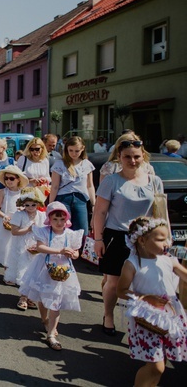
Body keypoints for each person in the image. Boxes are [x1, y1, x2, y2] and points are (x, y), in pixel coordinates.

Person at [92, 136, 164, 336]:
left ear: (143, 157)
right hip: (117, 236)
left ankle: (140, 321)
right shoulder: (112, 181)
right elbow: (100, 212)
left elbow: (160, 212)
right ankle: (108, 315)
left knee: (144, 283)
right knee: (114, 282)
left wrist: (164, 238)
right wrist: (98, 239)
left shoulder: (155, 181)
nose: (132, 161)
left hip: (145, 239)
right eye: (127, 157)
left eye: (136, 157)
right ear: (120, 157)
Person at [117, 217, 187, 386]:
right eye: (160, 239)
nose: (167, 243)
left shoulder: (169, 259)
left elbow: (184, 274)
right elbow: (121, 290)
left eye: (167, 239)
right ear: (142, 240)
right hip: (147, 318)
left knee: (159, 362)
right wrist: (145, 298)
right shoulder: (132, 263)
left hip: (170, 317)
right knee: (157, 366)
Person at [19, 201, 84, 352]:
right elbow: (40, 247)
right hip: (44, 267)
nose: (59, 222)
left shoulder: (70, 234)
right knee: (43, 297)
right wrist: (59, 251)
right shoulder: (44, 231)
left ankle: (51, 335)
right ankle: (44, 319)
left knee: (56, 301)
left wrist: (74, 254)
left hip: (63, 270)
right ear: (50, 219)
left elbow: (76, 252)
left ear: (66, 218)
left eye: (62, 219)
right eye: (55, 219)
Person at [0, 166, 28, 279]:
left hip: (18, 224)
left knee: (15, 248)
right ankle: (8, 274)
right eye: (6, 178)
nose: (8, 181)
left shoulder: (23, 193)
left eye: (11, 178)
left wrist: (23, 211)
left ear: (18, 179)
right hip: (5, 223)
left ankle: (15, 273)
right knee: (6, 248)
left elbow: (28, 207)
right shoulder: (3, 192)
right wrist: (5, 216)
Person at [7, 188, 47, 309]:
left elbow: (45, 231)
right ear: (23, 204)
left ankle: (29, 297)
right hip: (22, 248)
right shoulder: (20, 215)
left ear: (38, 204)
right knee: (25, 272)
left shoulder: (41, 216)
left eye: (33, 204)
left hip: (36, 247)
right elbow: (14, 231)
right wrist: (28, 229)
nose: (30, 207)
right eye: (27, 204)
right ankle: (23, 297)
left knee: (36, 273)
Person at [49, 136, 96, 233]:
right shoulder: (60, 164)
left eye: (77, 151)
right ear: (66, 149)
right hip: (63, 198)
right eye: (71, 150)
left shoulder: (87, 164)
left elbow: (90, 186)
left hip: (81, 199)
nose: (74, 154)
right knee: (62, 229)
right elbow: (54, 186)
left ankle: (80, 248)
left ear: (82, 149)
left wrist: (94, 204)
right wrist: (51, 204)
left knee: (82, 230)